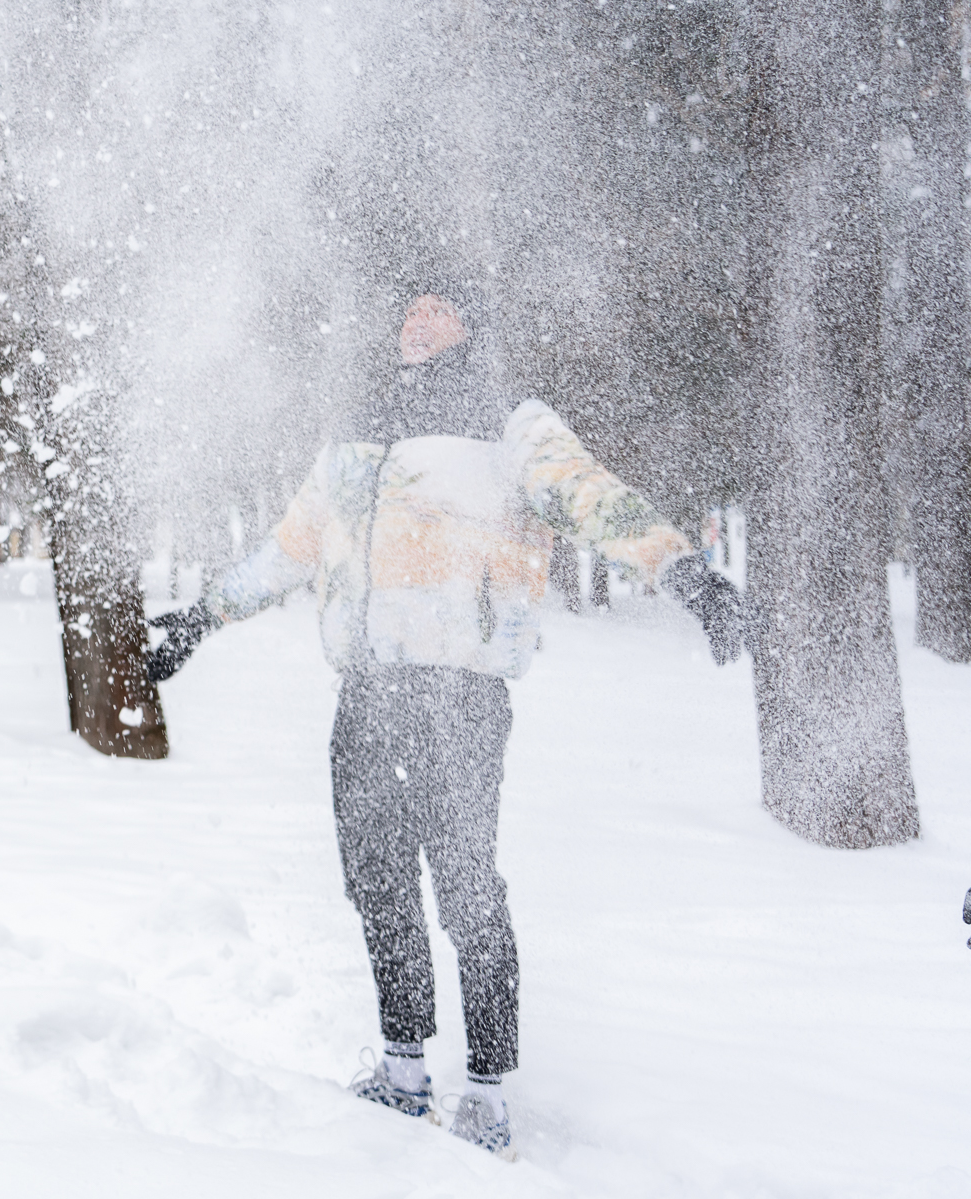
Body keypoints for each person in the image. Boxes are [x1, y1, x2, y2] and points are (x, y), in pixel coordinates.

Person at [145, 292, 744, 1160]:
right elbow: (294, 546)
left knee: (467, 888)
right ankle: (404, 1071)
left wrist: (684, 573)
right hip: (368, 694)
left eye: (441, 307)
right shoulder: (358, 437)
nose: (417, 321)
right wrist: (203, 620)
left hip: (458, 696)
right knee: (377, 882)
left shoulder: (511, 424)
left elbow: (590, 497)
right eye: (409, 308)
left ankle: (490, 1092)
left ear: (473, 327)